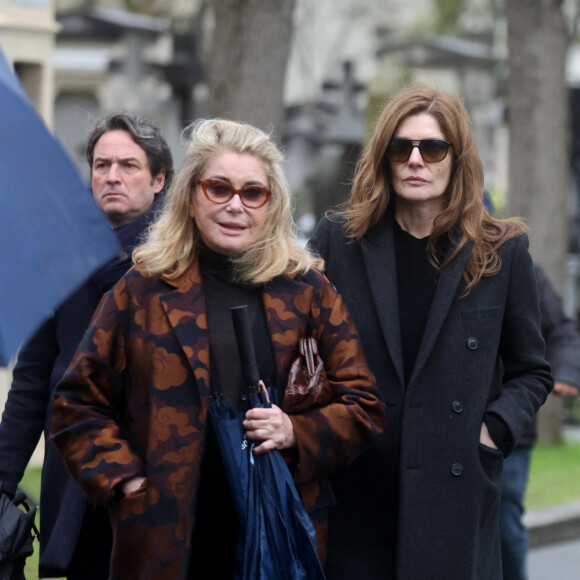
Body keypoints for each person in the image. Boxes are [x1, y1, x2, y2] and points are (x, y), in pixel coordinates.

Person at [50, 118, 385, 580]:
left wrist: (295, 431)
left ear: (272, 204)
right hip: (164, 540)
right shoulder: (142, 289)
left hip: (277, 533)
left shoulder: (307, 290)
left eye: (253, 193)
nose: (235, 206)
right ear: (191, 195)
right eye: (218, 188)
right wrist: (124, 479)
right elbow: (75, 404)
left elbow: (363, 406)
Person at [309, 86, 553, 579]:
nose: (415, 160)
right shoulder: (340, 240)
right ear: (384, 158)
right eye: (401, 148)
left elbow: (531, 370)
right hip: (357, 488)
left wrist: (493, 431)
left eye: (432, 148)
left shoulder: (501, 251)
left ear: (456, 159)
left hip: (455, 491)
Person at [0, 112, 173, 579]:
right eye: (101, 165)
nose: (112, 176)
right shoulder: (59, 256)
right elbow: (34, 378)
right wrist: (2, 477)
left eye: (128, 166)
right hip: (74, 473)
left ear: (159, 180)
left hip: (152, 477)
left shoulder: (180, 260)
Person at [500, 262, 580, 580]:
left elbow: (560, 329)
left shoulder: (517, 264)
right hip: (446, 428)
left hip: (509, 427)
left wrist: (567, 372)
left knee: (505, 525)